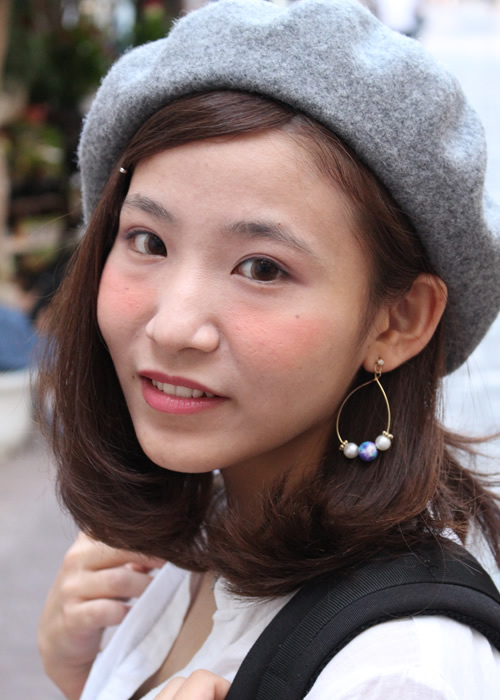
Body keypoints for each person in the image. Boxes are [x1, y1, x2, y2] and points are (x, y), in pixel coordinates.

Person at [36, 1, 500, 698]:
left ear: (397, 321)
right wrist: (79, 674)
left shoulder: (399, 670)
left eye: (261, 268)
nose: (173, 326)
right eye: (148, 242)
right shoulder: (197, 535)